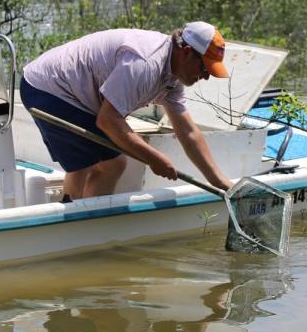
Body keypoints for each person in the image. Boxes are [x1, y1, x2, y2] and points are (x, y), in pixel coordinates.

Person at [20, 21, 234, 201]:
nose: (206, 77)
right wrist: (154, 158)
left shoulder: (174, 76)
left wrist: (219, 181)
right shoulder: (145, 63)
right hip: (49, 88)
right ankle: (70, 228)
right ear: (186, 53)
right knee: (86, 165)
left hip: (79, 95)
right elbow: (108, 120)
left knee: (112, 165)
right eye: (205, 68)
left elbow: (188, 133)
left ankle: (90, 223)